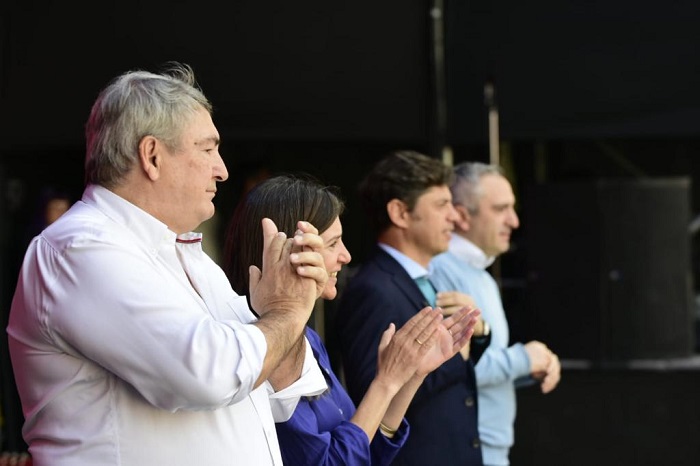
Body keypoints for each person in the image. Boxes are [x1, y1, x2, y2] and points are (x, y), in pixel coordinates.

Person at [6, 63, 331, 466]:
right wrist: (285, 312)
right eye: (208, 149)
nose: (223, 170)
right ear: (152, 156)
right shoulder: (79, 248)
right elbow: (213, 374)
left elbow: (273, 393)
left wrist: (289, 301)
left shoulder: (183, 253)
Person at [223, 174, 479, 466]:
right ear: (290, 253)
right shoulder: (260, 346)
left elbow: (365, 449)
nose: (345, 255)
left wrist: (410, 375)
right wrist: (386, 382)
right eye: (332, 244)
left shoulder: (307, 338)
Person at [334, 151, 490, 466]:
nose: (455, 218)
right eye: (441, 205)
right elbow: (373, 397)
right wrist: (456, 354)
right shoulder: (373, 290)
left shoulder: (419, 278)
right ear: (400, 213)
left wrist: (476, 333)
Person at [430, 162, 562, 466]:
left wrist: (531, 367)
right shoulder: (440, 269)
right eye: (501, 209)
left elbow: (481, 368)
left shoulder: (481, 276)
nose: (514, 221)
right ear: (462, 215)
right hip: (468, 452)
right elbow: (450, 368)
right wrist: (525, 358)